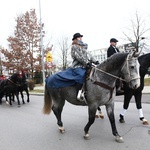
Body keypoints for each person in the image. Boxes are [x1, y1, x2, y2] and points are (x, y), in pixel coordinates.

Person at [71, 33, 99, 101]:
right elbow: (78, 57)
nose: (80, 38)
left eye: (81, 37)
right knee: (81, 75)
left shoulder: (84, 46)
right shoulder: (74, 46)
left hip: (86, 65)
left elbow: (89, 55)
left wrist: (95, 61)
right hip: (78, 66)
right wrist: (87, 62)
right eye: (79, 37)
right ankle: (79, 93)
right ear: (75, 39)